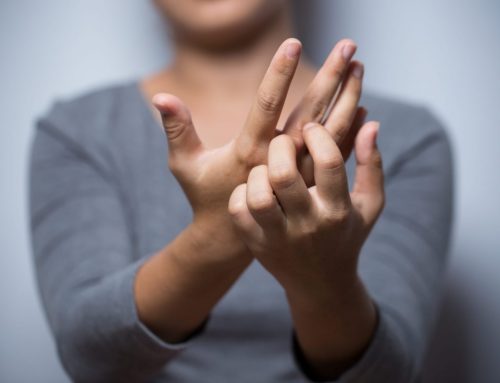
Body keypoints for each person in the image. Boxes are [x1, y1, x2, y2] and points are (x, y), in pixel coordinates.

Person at [29, 0, 453, 382]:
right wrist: (221, 232)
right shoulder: (78, 131)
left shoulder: (403, 138)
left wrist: (325, 282)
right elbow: (91, 358)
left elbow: (388, 374)